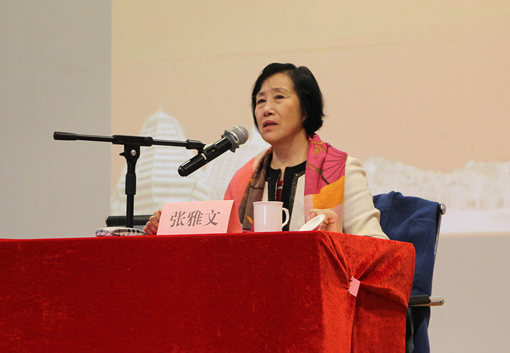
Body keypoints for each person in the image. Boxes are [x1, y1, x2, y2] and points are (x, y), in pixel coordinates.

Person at [144, 63, 386, 238]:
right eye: (260, 101)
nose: (266, 109)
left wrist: (337, 239)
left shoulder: (343, 170)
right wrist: (167, 229)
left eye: (279, 97)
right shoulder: (243, 179)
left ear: (305, 110)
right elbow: (221, 245)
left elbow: (376, 247)